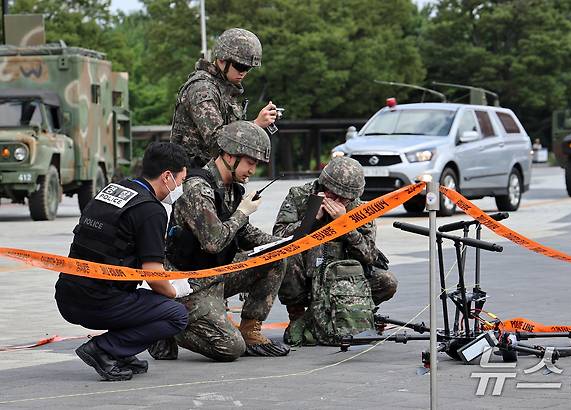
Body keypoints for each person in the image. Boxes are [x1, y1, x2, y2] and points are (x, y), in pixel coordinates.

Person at [54, 142, 191, 381]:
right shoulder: (151, 210)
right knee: (176, 314)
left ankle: (121, 352)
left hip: (67, 294)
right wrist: (174, 290)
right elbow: (153, 274)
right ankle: (104, 349)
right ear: (167, 176)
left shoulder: (114, 190)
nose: (180, 187)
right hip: (97, 302)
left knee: (142, 300)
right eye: (181, 180)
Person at [160, 120, 289, 361]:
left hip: (217, 271)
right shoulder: (197, 188)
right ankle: (164, 325)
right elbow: (214, 242)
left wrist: (285, 244)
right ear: (230, 156)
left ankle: (251, 330)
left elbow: (244, 234)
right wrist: (242, 212)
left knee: (275, 260)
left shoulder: (232, 188)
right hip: (189, 280)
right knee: (230, 347)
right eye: (250, 162)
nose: (253, 170)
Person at [273, 156, 398, 341]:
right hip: (306, 274)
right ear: (324, 185)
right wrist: (310, 219)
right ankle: (298, 316)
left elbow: (370, 255)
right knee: (285, 259)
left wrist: (346, 225)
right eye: (333, 195)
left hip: (342, 279)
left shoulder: (360, 209)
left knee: (388, 282)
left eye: (344, 198)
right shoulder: (299, 196)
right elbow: (278, 238)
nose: (337, 201)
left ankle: (349, 312)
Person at [171, 27, 279, 167]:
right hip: (192, 175)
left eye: (248, 68)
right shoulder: (202, 89)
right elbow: (218, 140)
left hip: (212, 173)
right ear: (222, 60)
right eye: (240, 66)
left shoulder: (223, 88)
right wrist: (255, 125)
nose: (244, 73)